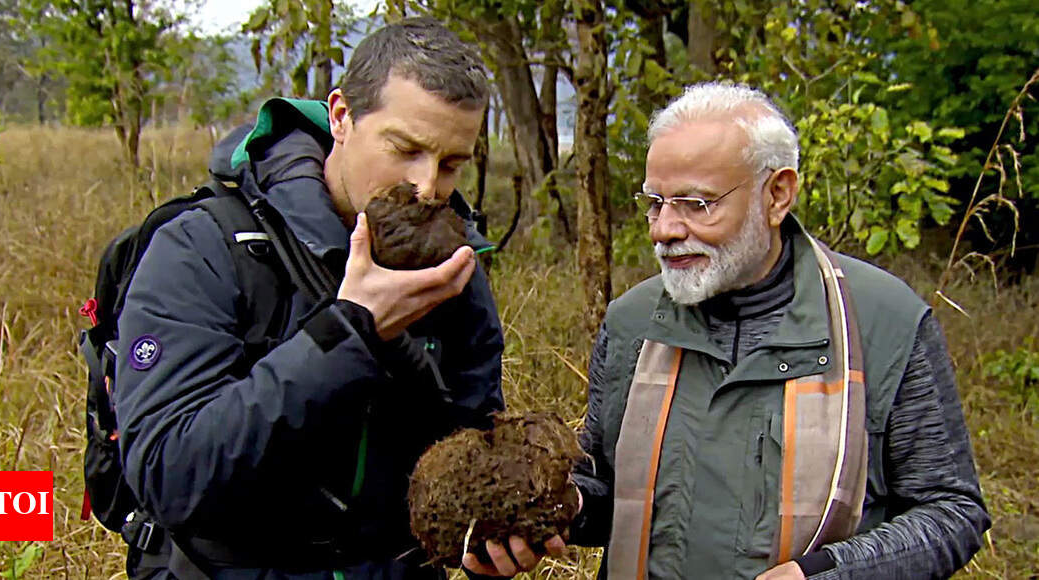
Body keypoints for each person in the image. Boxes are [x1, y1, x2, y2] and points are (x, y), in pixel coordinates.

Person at [114, 17, 546, 579]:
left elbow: (464, 445)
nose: (427, 186)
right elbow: (169, 474)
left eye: (452, 164)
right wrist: (349, 332)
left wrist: (489, 530)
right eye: (406, 149)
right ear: (342, 117)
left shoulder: (454, 269)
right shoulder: (205, 247)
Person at [566, 82, 991, 579]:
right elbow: (605, 490)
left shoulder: (885, 323)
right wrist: (550, 509)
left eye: (695, 204)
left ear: (777, 195)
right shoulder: (631, 324)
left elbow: (951, 512)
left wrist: (828, 573)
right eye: (656, 202)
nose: (664, 229)